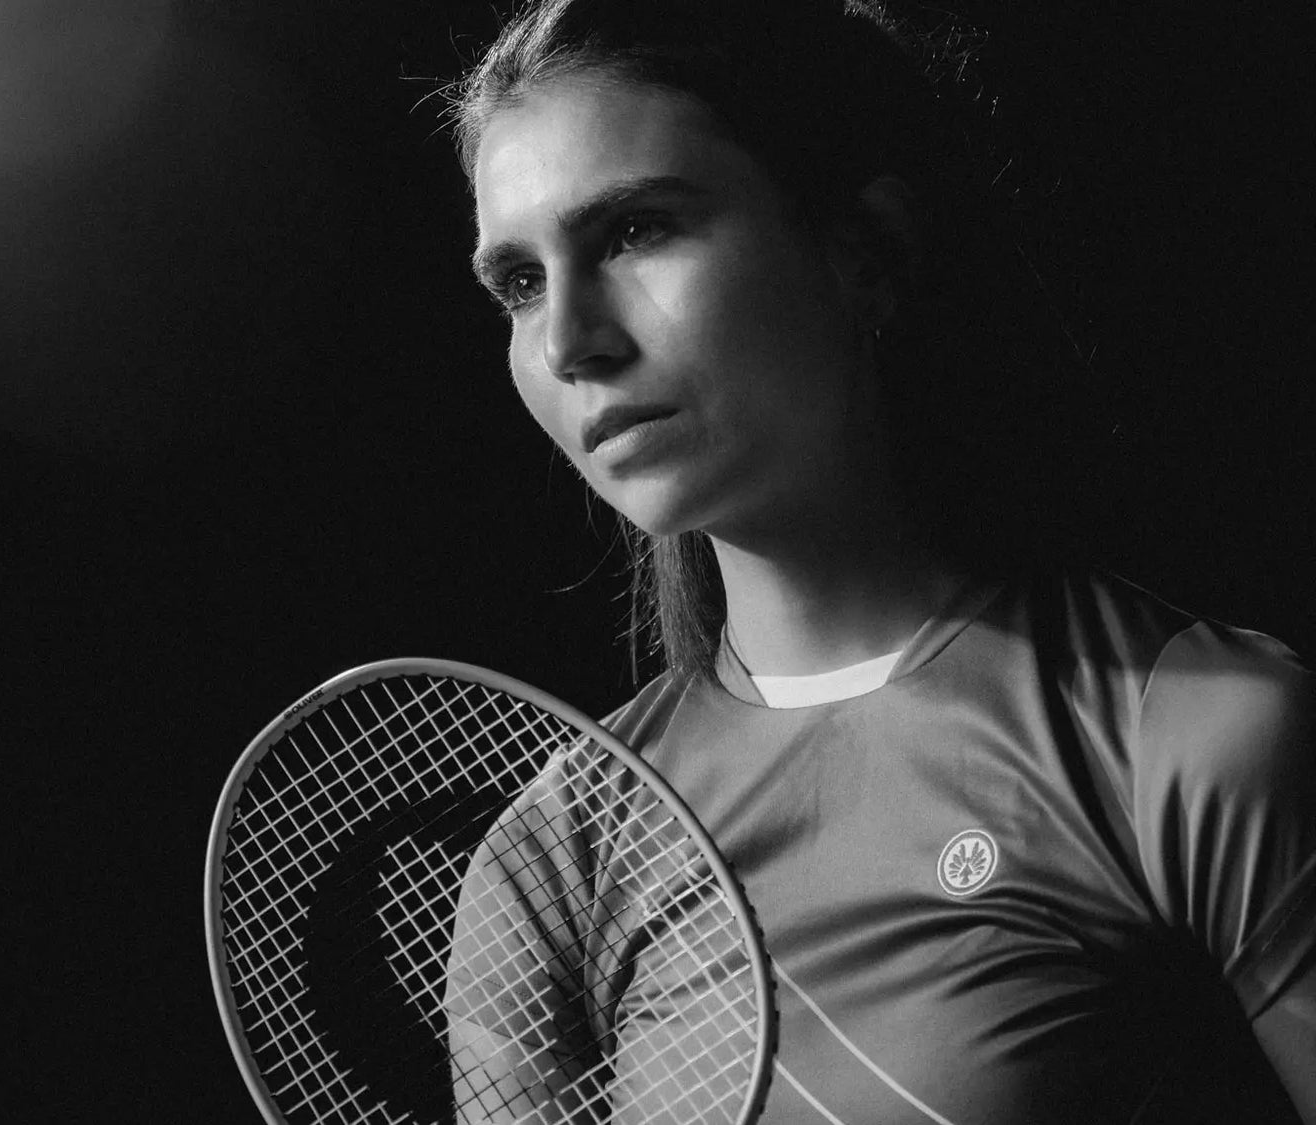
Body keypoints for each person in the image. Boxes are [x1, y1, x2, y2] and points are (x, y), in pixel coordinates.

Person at [436, 0, 1316, 1121]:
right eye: (517, 283)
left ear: (865, 251)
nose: (567, 341)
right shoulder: (554, 860)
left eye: (632, 231)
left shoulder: (1188, 738)